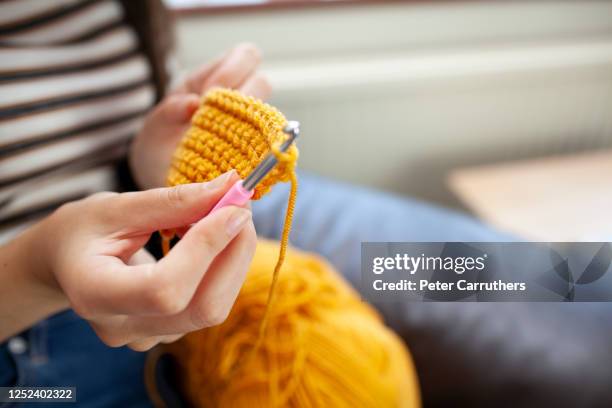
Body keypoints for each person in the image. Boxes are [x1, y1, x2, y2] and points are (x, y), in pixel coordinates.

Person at [3, 1, 611, 407]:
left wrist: (160, 154)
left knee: (573, 294)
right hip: (32, 298)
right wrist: (34, 269)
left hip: (179, 203)